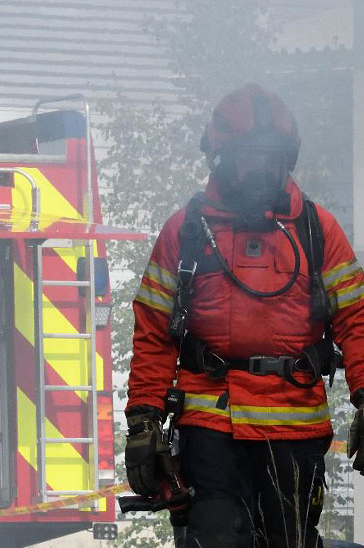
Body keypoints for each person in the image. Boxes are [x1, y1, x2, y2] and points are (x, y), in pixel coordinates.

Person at [124, 83, 364, 548]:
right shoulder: (187, 232)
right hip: (211, 429)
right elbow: (154, 334)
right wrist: (144, 421)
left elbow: (356, 319)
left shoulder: (317, 230)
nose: (262, 171)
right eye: (250, 158)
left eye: (272, 159)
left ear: (287, 160)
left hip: (295, 428)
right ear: (221, 159)